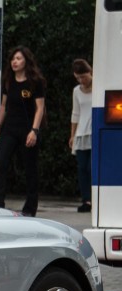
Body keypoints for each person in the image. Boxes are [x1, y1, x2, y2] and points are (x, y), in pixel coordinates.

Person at [0, 46, 46, 216]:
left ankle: (30, 208)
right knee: (0, 164)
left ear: (26, 61)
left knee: (30, 169)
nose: (15, 62)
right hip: (9, 130)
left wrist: (34, 130)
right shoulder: (8, 81)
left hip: (28, 130)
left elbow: (40, 108)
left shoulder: (35, 82)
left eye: (19, 58)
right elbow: (4, 105)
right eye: (13, 59)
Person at [70, 58, 93, 213]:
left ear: (90, 73)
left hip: (94, 132)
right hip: (81, 133)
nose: (81, 80)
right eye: (78, 77)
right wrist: (72, 135)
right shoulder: (76, 91)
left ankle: (96, 198)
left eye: (84, 76)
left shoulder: (98, 87)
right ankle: (87, 200)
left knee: (92, 167)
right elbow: (75, 113)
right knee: (82, 169)